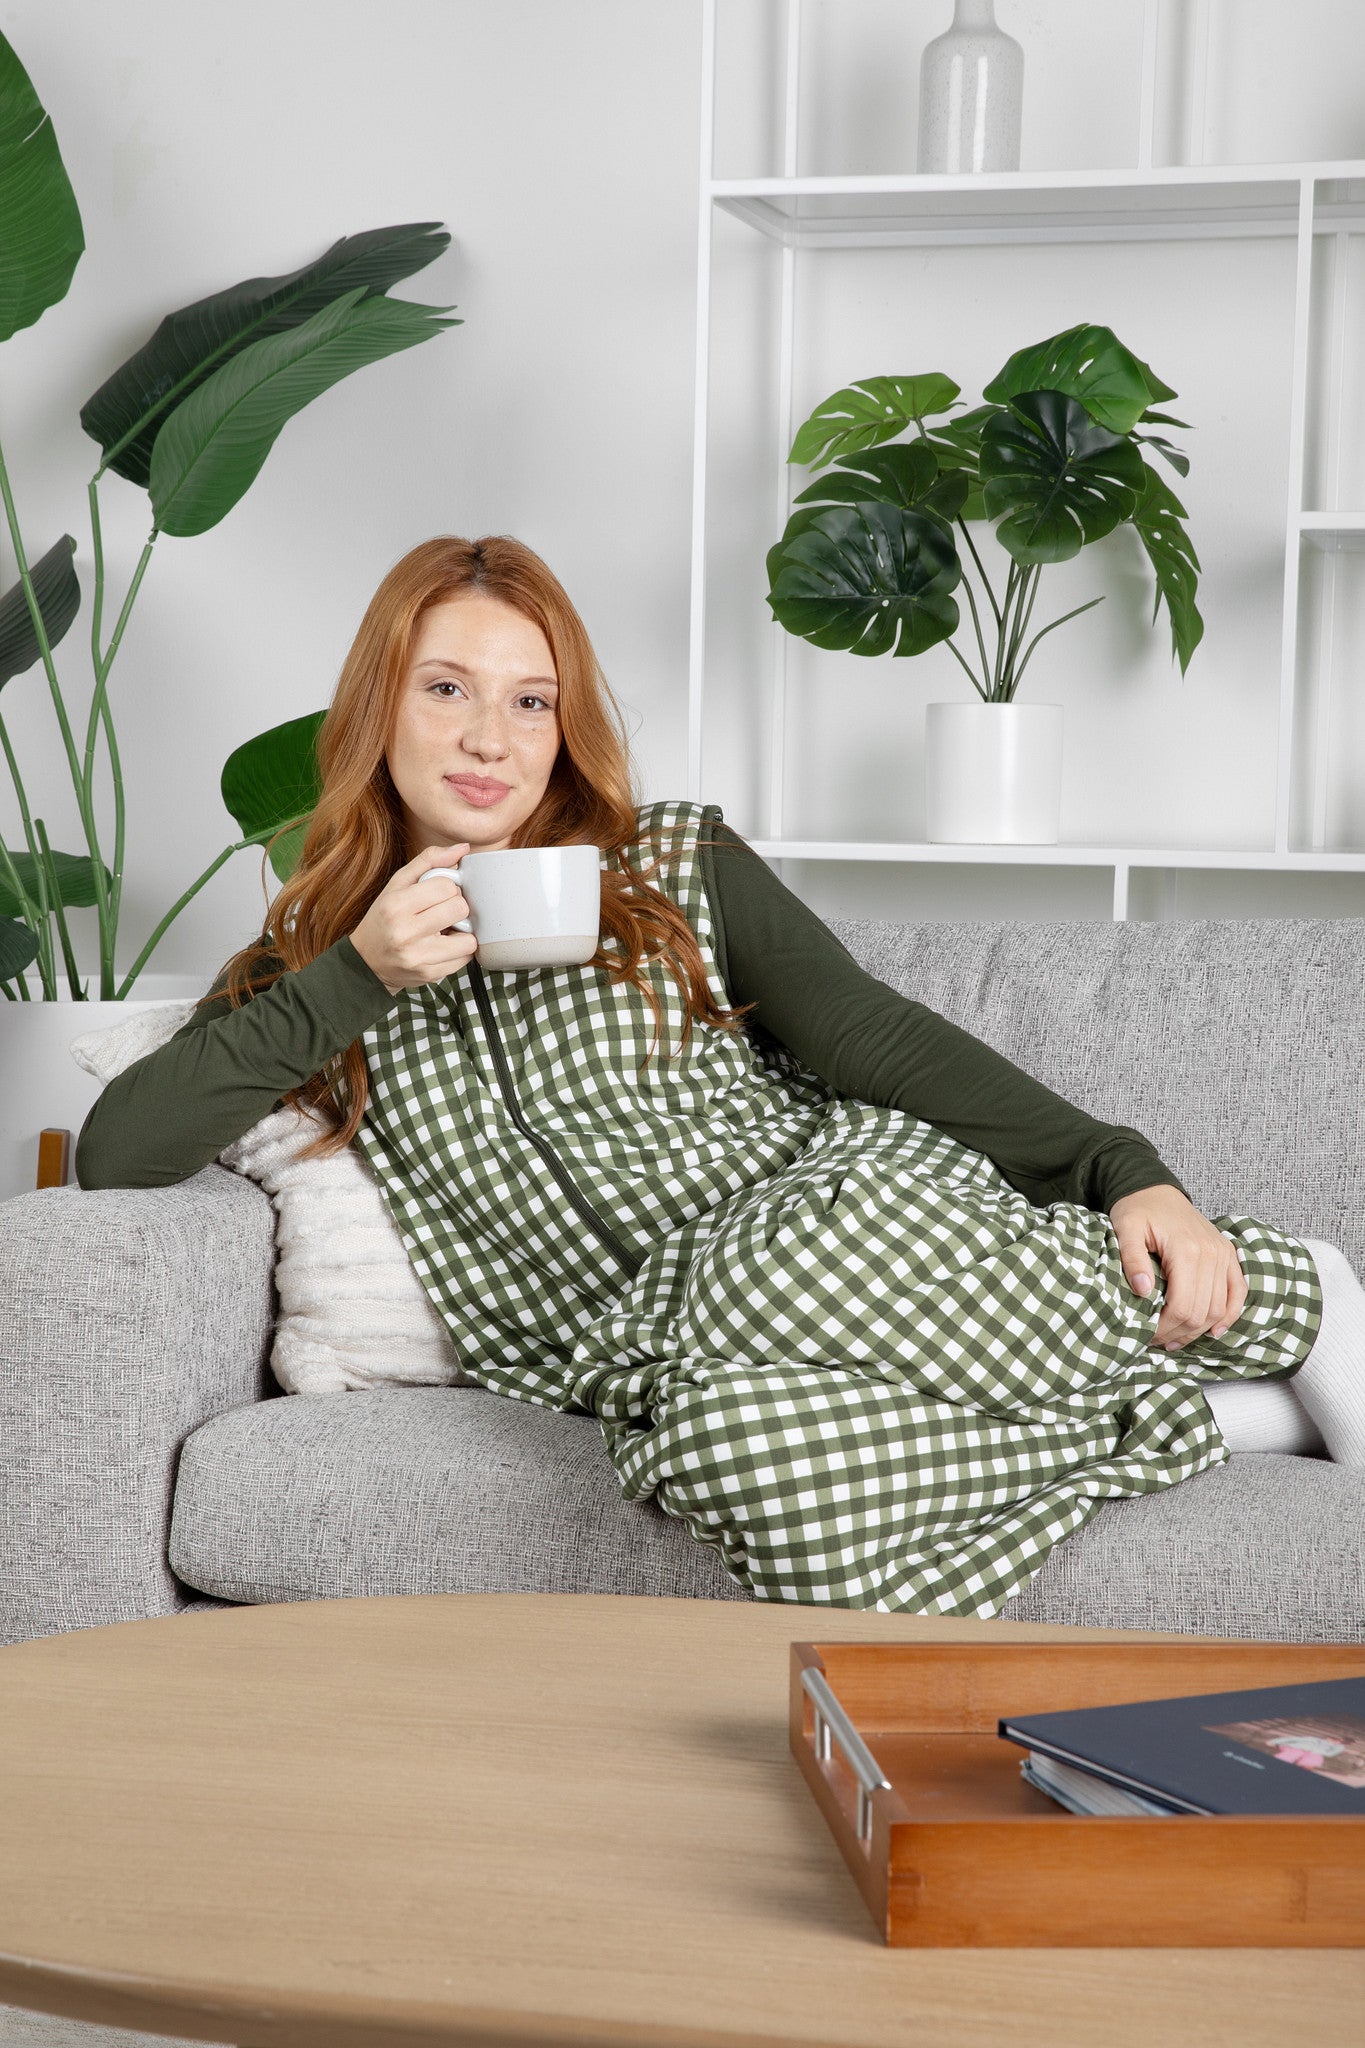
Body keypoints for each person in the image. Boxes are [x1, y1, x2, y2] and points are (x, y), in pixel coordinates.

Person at [77, 535, 1365, 1616]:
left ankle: (1299, 1292)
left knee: (770, 1263)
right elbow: (118, 1151)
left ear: (564, 729)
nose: (492, 739)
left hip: (828, 1237)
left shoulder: (673, 863)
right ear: (378, 709)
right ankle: (1221, 1419)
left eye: (531, 701)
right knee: (731, 1465)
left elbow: (873, 1036)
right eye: (446, 689)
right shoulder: (306, 972)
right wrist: (359, 974)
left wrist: (1118, 1167)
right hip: (643, 1362)